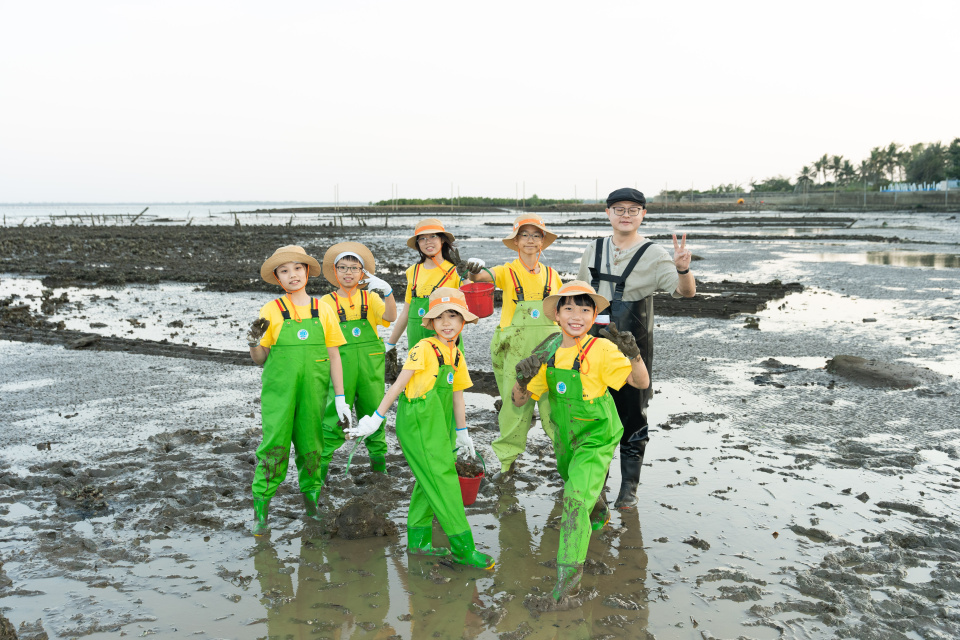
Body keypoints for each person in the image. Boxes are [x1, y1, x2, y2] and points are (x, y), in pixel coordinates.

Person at [511, 281, 649, 602]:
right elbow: (519, 401)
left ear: (594, 315)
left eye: (585, 309)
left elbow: (640, 382)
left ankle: (567, 588)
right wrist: (521, 379)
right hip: (565, 437)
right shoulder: (547, 351)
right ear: (557, 315)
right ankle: (598, 511)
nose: (577, 315)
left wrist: (634, 354)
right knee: (577, 482)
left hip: (598, 435)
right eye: (569, 308)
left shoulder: (601, 349)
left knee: (573, 501)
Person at [349, 287, 494, 570]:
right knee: (443, 478)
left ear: (463, 321)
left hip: (441, 418)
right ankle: (464, 549)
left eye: (453, 316)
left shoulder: (456, 354)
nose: (447, 323)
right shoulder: (424, 348)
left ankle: (418, 542)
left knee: (427, 477)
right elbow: (399, 383)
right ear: (431, 322)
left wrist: (462, 432)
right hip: (419, 417)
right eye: (440, 317)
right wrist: (376, 417)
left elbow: (457, 396)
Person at [576, 187, 695, 510]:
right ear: (608, 213)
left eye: (633, 209)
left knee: (632, 414)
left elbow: (685, 292)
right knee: (593, 414)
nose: (625, 215)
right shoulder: (594, 249)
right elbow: (579, 295)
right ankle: (595, 484)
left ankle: (629, 487)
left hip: (632, 346)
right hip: (593, 344)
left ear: (643, 214)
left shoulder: (654, 254)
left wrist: (683, 269)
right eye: (619, 209)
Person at [245, 245, 350, 536]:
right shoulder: (271, 310)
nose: (292, 274)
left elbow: (334, 356)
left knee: (311, 447)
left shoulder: (323, 309)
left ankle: (312, 507)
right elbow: (261, 359)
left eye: (297, 268)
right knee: (274, 447)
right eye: (285, 270)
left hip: (313, 394)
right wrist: (253, 343)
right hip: (279, 394)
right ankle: (261, 515)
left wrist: (340, 397)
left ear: (307, 272)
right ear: (278, 278)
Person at [463, 215, 562, 479]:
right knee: (513, 407)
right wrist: (473, 270)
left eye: (536, 235)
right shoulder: (506, 271)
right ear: (516, 241)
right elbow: (481, 277)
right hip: (515, 349)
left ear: (542, 242)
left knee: (555, 408)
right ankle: (507, 465)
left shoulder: (553, 276)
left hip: (550, 350)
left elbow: (564, 311)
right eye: (524, 235)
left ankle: (567, 464)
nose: (530, 240)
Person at [317, 242, 397, 482]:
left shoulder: (370, 298)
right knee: (334, 417)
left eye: (354, 268)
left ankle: (379, 469)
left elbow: (391, 316)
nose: (348, 273)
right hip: (340, 367)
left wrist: (388, 292)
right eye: (343, 267)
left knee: (374, 412)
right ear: (335, 271)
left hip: (371, 368)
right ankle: (319, 473)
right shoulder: (326, 302)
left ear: (363, 273)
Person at [386, 218, 464, 355]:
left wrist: (467, 277)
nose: (427, 242)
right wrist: (391, 343)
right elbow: (406, 313)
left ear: (442, 240)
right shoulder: (413, 271)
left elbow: (472, 308)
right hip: (415, 340)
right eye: (422, 238)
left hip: (445, 341)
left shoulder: (455, 271)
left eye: (433, 236)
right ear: (417, 244)